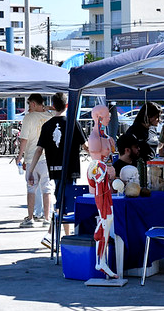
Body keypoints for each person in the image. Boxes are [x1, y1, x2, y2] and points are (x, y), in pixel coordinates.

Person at [26, 93, 87, 249]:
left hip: (54, 169)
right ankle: (51, 234)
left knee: (63, 202)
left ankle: (63, 236)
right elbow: (85, 146)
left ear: (53, 105)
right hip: (70, 169)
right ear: (66, 105)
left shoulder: (47, 125)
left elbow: (39, 150)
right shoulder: (73, 123)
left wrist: (30, 170)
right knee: (62, 202)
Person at [87, 105, 118, 278]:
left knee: (108, 218)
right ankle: (101, 260)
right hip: (99, 183)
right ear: (99, 117)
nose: (110, 118)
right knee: (106, 218)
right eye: (107, 116)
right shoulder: (95, 138)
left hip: (107, 182)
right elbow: (96, 165)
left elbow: (109, 159)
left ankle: (101, 260)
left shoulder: (106, 137)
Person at [16, 93, 52, 228]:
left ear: (33, 104)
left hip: (32, 158)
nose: (28, 107)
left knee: (31, 188)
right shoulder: (50, 116)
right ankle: (46, 217)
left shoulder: (28, 118)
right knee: (46, 188)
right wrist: (45, 107)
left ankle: (30, 217)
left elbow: (24, 138)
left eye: (29, 104)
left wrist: (20, 156)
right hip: (46, 158)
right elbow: (58, 108)